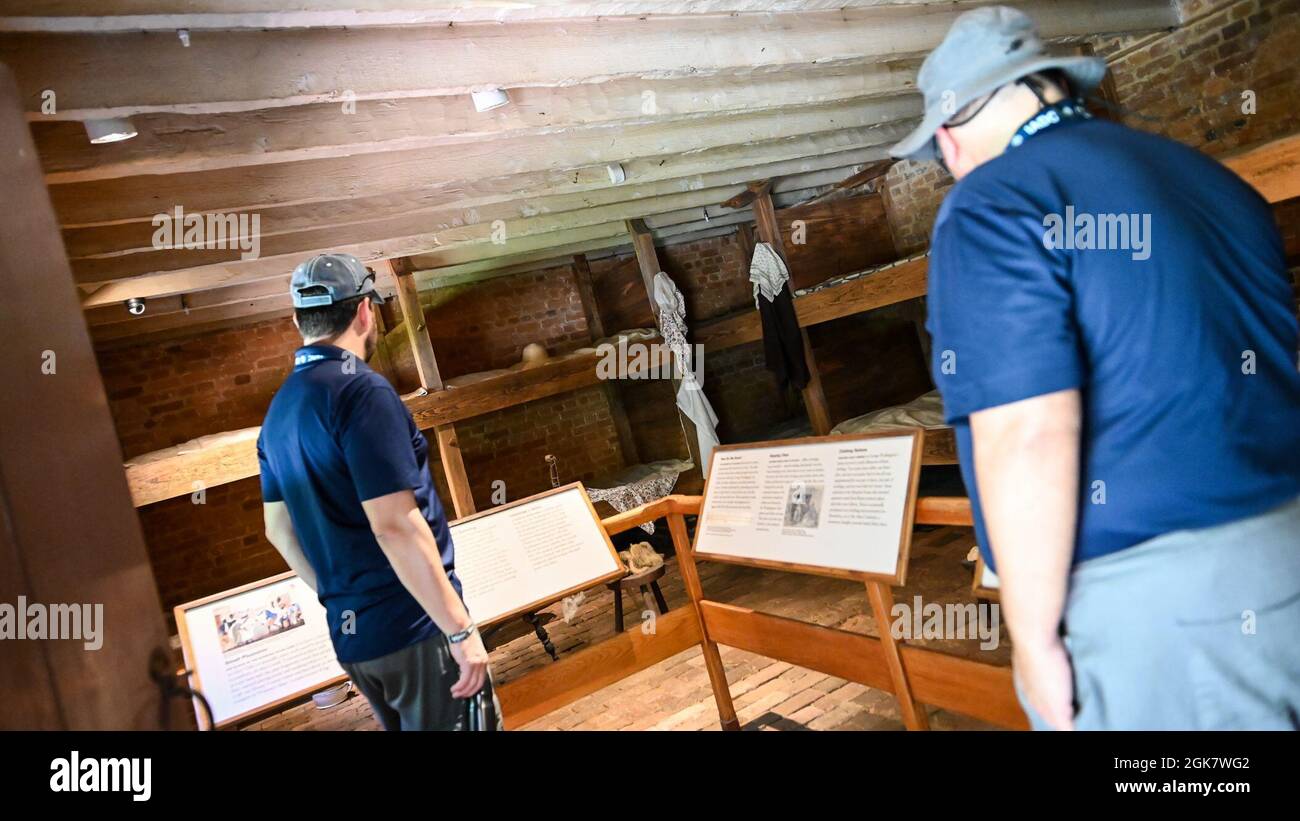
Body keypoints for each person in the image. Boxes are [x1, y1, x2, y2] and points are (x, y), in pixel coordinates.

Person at [891, 6, 1300, 729]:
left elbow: (1029, 431)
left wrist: (1036, 637)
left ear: (948, 138)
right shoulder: (1213, 181)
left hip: (1166, 609)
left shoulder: (990, 204)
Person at [258, 252, 496, 730]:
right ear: (366, 311)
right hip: (415, 628)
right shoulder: (360, 392)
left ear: (297, 320)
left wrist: (347, 598)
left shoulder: (277, 413)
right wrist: (459, 628)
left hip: (356, 641)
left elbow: (279, 532)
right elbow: (393, 526)